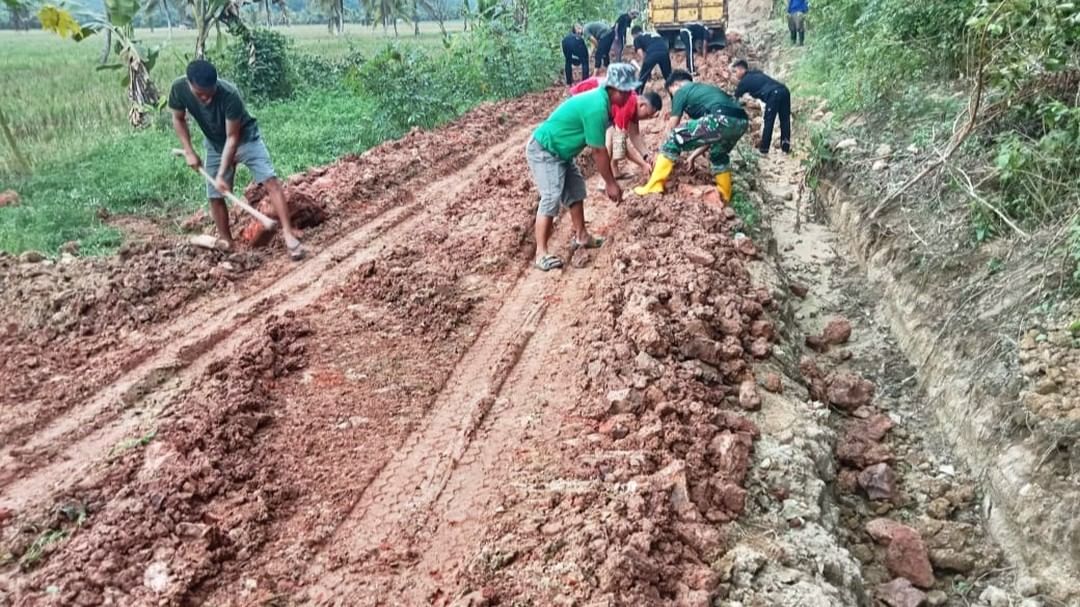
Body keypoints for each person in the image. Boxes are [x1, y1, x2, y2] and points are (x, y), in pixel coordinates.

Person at [169, 59, 304, 260]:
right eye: (200, 94)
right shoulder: (179, 88)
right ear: (189, 84)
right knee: (215, 196)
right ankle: (227, 243)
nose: (206, 99)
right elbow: (178, 118)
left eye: (210, 93)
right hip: (215, 144)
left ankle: (288, 233)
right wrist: (189, 151)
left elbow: (232, 138)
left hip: (245, 138)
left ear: (215, 83)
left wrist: (222, 174)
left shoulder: (229, 94)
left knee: (271, 180)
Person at [526, 63, 639, 272]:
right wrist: (610, 183)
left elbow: (616, 139)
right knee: (551, 196)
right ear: (613, 89)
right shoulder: (597, 107)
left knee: (576, 190)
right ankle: (540, 254)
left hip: (562, 152)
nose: (628, 96)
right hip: (545, 150)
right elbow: (598, 151)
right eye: (625, 91)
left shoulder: (604, 102)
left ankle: (582, 236)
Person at [634, 70, 748, 204]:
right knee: (718, 155)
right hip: (741, 121)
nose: (673, 97)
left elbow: (672, 126)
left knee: (675, 136)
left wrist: (661, 151)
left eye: (671, 93)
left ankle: (654, 185)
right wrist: (692, 157)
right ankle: (725, 194)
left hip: (721, 117)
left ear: (675, 84)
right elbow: (710, 136)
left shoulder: (681, 91)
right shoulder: (704, 92)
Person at [570, 75, 663, 177]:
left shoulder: (633, 103)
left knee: (615, 137)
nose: (647, 118)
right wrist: (642, 165)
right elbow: (620, 142)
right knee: (610, 140)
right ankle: (606, 179)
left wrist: (647, 156)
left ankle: (614, 171)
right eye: (647, 115)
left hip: (598, 101)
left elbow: (635, 135)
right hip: (583, 98)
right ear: (642, 105)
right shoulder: (628, 104)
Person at [732, 60, 791, 154]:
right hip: (784, 90)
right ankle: (785, 147)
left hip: (773, 94)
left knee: (769, 120)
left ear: (742, 69)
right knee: (785, 119)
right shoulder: (756, 73)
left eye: (735, 71)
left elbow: (734, 99)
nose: (734, 75)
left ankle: (764, 149)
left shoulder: (744, 81)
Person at [632, 26, 672, 93]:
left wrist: (645, 68)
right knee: (669, 77)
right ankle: (674, 95)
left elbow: (640, 53)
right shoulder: (653, 34)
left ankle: (637, 96)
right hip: (664, 52)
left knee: (642, 78)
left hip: (652, 53)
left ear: (634, 34)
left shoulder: (637, 38)